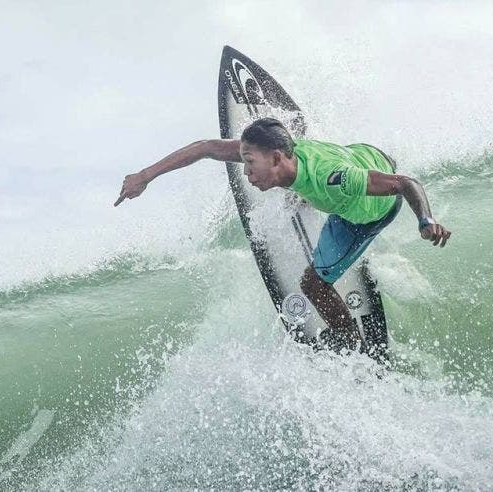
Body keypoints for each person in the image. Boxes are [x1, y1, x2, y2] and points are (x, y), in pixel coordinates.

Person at [113, 117, 451, 355]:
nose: (245, 173)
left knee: (313, 285)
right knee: (300, 190)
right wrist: (145, 175)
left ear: (276, 157)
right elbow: (208, 148)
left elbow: (406, 184)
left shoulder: (332, 178)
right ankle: (302, 189)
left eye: (249, 163)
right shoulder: (284, 153)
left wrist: (425, 220)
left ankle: (349, 341)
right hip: (364, 152)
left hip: (366, 213)